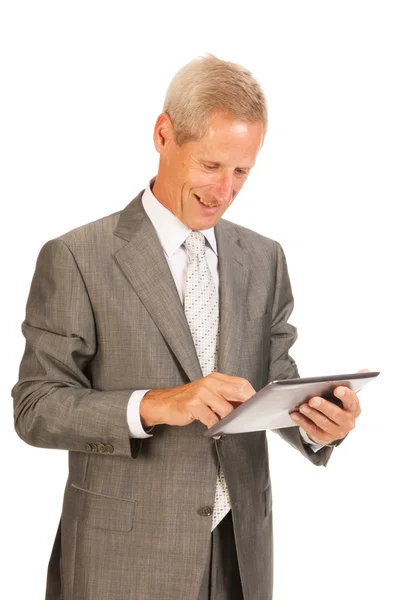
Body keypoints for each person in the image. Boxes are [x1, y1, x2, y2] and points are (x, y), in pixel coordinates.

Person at [11, 54, 362, 600]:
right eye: (210, 166)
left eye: (242, 171)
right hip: (123, 560)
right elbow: (36, 408)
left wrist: (320, 424)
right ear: (163, 134)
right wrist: (157, 403)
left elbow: (273, 382)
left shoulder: (263, 258)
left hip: (240, 553)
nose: (224, 190)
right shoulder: (78, 256)